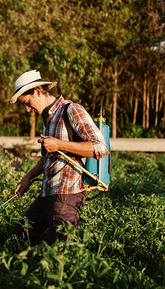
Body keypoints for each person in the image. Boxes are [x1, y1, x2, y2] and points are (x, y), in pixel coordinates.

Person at [10, 70, 109, 246]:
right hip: (48, 192)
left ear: (37, 92)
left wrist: (60, 144)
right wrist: (27, 178)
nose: (27, 109)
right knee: (21, 236)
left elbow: (101, 148)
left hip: (68, 193)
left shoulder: (72, 110)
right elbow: (47, 157)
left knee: (60, 249)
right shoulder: (48, 118)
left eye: (27, 102)